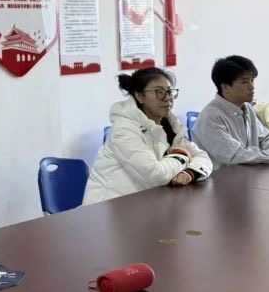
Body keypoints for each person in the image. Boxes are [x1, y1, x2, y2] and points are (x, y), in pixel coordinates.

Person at [84, 67, 212, 205]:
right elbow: (156, 175)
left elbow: (202, 156)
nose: (167, 98)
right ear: (140, 96)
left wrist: (190, 172)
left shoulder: (169, 123)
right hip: (108, 208)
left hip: (148, 203)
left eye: (169, 92)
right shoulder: (123, 130)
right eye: (159, 92)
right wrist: (182, 155)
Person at [192, 55, 269, 169]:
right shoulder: (210, 117)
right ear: (225, 87)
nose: (252, 87)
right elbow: (236, 156)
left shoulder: (247, 108)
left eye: (252, 80)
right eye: (244, 82)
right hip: (219, 178)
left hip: (248, 175)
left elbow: (264, 139)